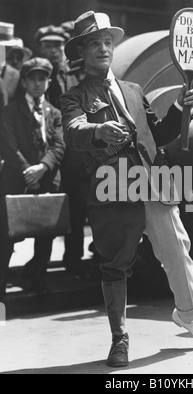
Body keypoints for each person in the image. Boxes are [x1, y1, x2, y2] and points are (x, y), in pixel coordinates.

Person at [61, 11, 193, 368]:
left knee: (178, 250)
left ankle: (189, 315)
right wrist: (96, 132)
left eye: (107, 42)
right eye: (94, 44)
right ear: (82, 53)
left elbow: (158, 134)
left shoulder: (134, 90)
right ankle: (120, 339)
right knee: (115, 265)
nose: (102, 49)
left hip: (154, 182)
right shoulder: (74, 96)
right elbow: (73, 130)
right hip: (112, 189)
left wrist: (180, 109)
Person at [0, 58, 65, 300]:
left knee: (46, 234)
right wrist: (28, 171)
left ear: (48, 82)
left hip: (47, 178)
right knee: (6, 234)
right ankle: (2, 281)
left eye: (43, 79)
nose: (38, 84)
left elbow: (59, 145)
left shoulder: (55, 113)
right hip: (16, 179)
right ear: (24, 82)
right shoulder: (10, 111)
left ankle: (37, 278)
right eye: (33, 79)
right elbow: (8, 145)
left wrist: (42, 168)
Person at [35, 25, 90, 278]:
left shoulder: (73, 77)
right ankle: (39, 263)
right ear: (40, 48)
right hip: (47, 155)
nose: (54, 50)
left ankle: (73, 259)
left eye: (58, 46)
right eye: (48, 46)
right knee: (43, 211)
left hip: (73, 158)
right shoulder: (36, 76)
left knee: (77, 210)